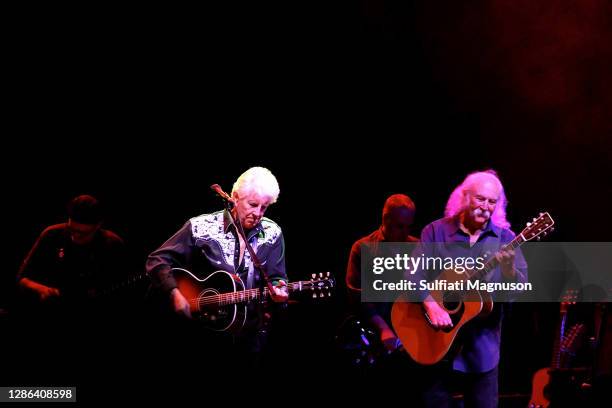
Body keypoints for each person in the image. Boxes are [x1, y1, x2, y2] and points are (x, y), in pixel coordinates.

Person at [145, 166, 288, 360]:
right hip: (201, 336)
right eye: (253, 204)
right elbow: (157, 260)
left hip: (250, 337)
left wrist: (280, 291)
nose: (258, 213)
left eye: (264, 207)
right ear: (235, 197)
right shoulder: (200, 226)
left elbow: (278, 278)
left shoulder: (273, 233)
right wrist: (174, 292)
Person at [413, 170, 528, 408]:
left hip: (482, 351)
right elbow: (411, 274)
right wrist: (430, 303)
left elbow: (517, 292)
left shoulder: (506, 239)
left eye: (492, 202)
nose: (486, 207)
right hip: (435, 346)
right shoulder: (435, 232)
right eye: (480, 199)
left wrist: (507, 272)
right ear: (464, 197)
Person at [17, 194, 127, 318]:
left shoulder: (112, 245)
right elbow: (22, 278)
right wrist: (42, 289)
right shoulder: (51, 235)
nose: (75, 237)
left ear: (98, 225)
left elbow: (122, 294)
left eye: (83, 233)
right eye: (72, 230)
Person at [346, 194, 418, 354]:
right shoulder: (362, 248)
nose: (405, 232)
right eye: (400, 226)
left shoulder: (417, 247)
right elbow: (357, 296)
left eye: (408, 226)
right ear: (386, 219)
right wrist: (383, 329)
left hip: (410, 333)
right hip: (373, 337)